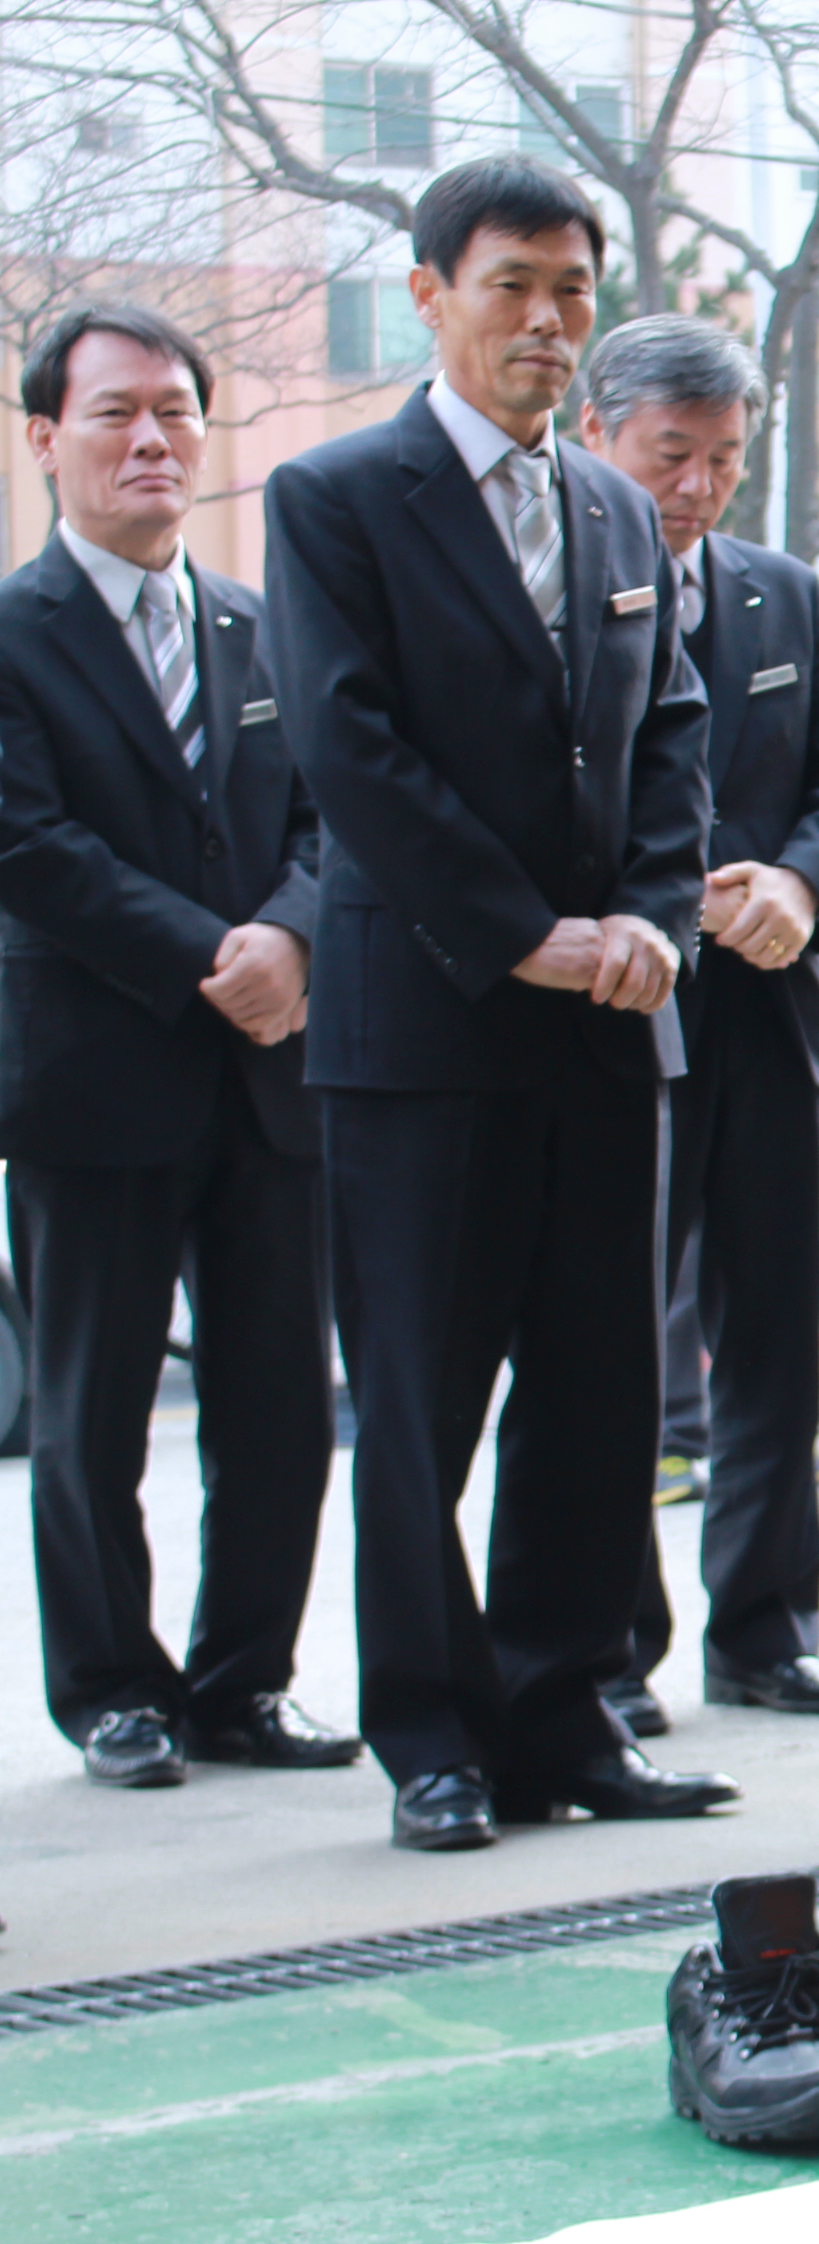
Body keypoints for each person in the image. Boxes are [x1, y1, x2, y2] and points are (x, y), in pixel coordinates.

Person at [261, 157, 732, 1853]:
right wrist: (521, 932)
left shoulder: (611, 506)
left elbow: (671, 730)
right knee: (420, 1399)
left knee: (599, 1392)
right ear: (430, 295)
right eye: (512, 284)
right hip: (430, 1023)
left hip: (609, 1022)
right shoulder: (333, 499)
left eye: (572, 290)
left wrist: (655, 923)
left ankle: (566, 1715)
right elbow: (349, 750)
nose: (547, 320)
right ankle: (434, 1737)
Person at [0, 306, 354, 1789]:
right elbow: (30, 845)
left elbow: (332, 816)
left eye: (175, 413)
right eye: (115, 414)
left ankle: (243, 1681)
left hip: (272, 1079)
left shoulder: (262, 628)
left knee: (280, 1406)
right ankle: (112, 1692)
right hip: (97, 1074)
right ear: (45, 439)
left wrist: (295, 935)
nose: (151, 440)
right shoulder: (14, 633)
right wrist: (219, 957)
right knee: (90, 1410)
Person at [573, 313, 819, 1736]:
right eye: (670, 456)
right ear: (597, 437)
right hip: (615, 1012)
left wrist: (801, 883)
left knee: (772, 1338)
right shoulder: (558, 593)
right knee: (613, 1342)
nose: (698, 486)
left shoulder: (782, 594)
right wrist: (662, 896)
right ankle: (606, 1645)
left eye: (722, 458)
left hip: (772, 1009)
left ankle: (767, 1632)